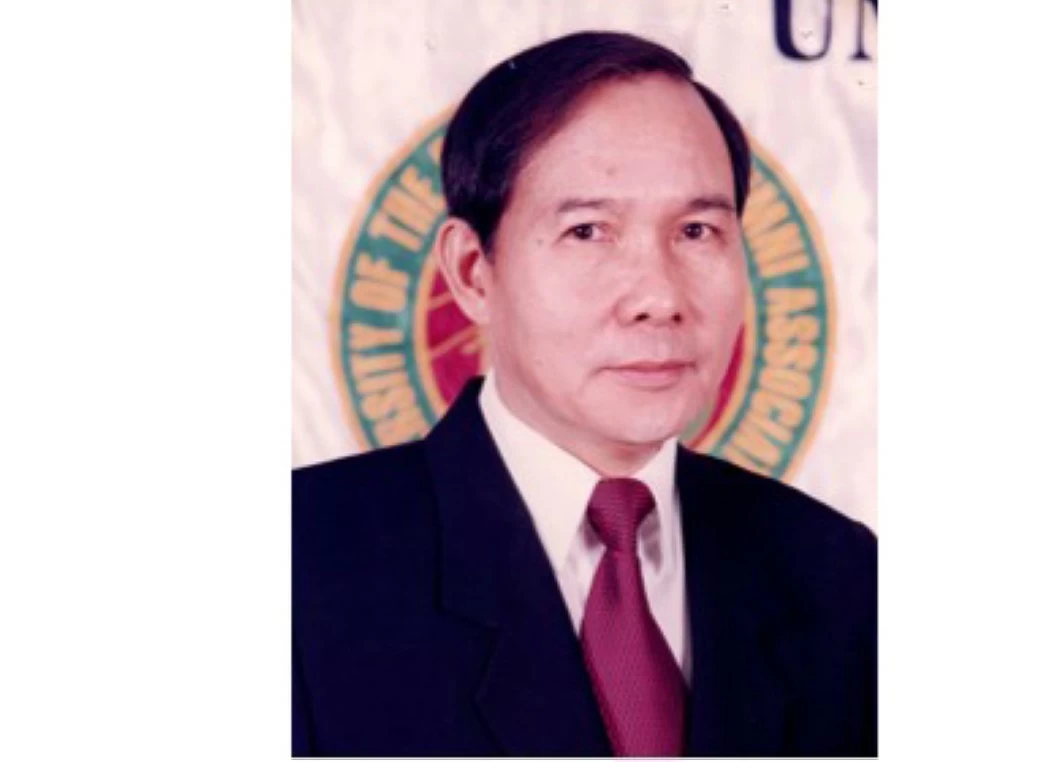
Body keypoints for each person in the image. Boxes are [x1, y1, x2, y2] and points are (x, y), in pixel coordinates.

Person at [293, 30, 876, 757]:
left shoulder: (840, 573)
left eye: (697, 231)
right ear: (473, 271)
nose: (659, 298)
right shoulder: (300, 563)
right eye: (589, 231)